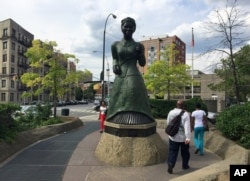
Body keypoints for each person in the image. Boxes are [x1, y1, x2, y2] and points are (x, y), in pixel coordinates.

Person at [106, 17, 154, 125]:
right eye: (125, 26)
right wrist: (114, 65)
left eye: (130, 27)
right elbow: (115, 58)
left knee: (133, 90)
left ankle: (138, 118)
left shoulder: (139, 45)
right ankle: (116, 117)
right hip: (120, 74)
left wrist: (140, 53)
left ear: (134, 29)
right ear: (122, 28)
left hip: (133, 72)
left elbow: (142, 63)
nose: (128, 29)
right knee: (117, 95)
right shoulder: (115, 45)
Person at [166, 100, 191, 174]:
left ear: (177, 105)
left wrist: (170, 133)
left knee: (172, 151)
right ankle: (185, 165)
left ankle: (171, 163)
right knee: (185, 152)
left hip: (173, 136)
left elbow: (168, 123)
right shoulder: (186, 114)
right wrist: (188, 137)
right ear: (183, 106)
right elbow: (187, 127)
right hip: (183, 138)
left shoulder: (171, 112)